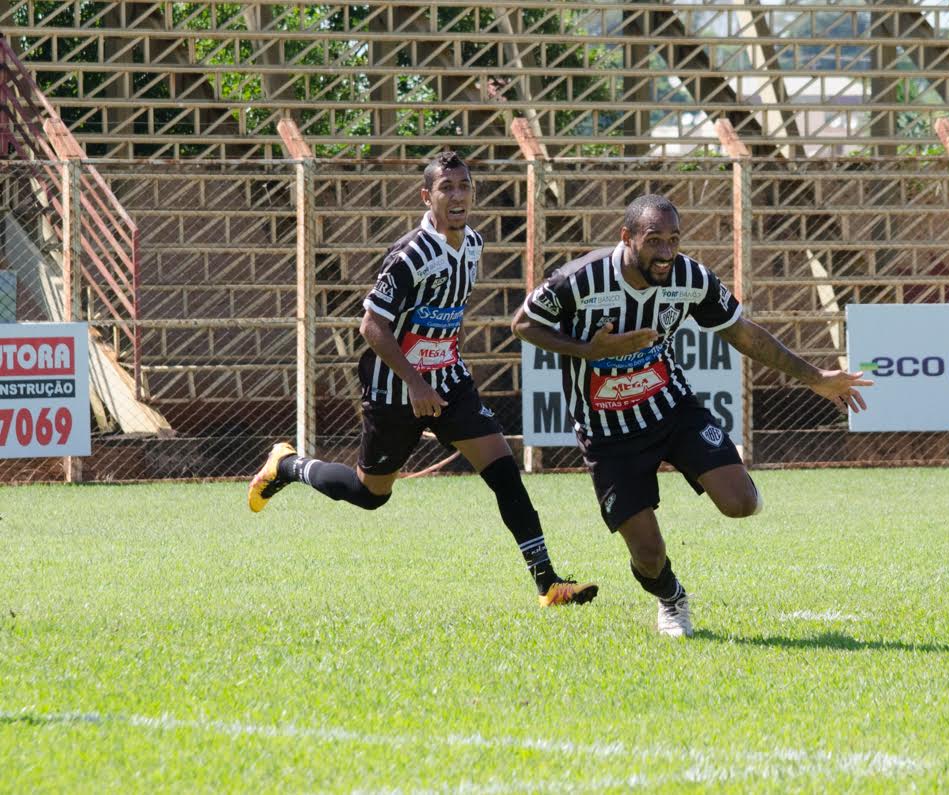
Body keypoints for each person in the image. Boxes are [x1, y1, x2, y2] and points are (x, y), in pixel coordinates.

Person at [248, 151, 598, 608]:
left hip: (449, 381)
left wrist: (442, 370)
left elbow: (443, 316)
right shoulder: (410, 254)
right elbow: (371, 326)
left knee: (504, 470)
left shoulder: (473, 244)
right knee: (371, 494)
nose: (457, 196)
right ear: (427, 196)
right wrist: (415, 383)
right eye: (446, 188)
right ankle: (288, 465)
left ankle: (548, 583)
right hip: (397, 388)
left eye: (464, 186)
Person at [511, 194, 871, 636]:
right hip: (608, 434)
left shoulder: (689, 277)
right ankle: (672, 598)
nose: (666, 252)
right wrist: (589, 351)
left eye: (674, 240)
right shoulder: (582, 279)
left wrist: (814, 376)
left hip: (671, 411)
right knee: (648, 555)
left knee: (740, 503)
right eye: (654, 240)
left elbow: (741, 332)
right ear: (627, 238)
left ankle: (728, 475)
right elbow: (523, 324)